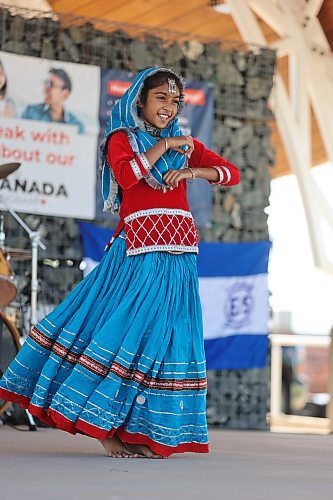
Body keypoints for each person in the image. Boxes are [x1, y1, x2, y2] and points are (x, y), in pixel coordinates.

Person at [0, 67, 240, 458]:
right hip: (137, 250)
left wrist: (193, 169)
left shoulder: (185, 145)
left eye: (175, 100)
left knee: (164, 339)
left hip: (179, 253)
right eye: (161, 97)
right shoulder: (121, 139)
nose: (169, 106)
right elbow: (129, 177)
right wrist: (165, 148)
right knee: (122, 332)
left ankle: (138, 431)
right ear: (139, 100)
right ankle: (101, 427)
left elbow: (232, 172)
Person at [21, 67, 84, 134]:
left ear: (65, 94)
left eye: (50, 85)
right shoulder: (30, 112)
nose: (45, 89)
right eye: (46, 84)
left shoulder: (76, 126)